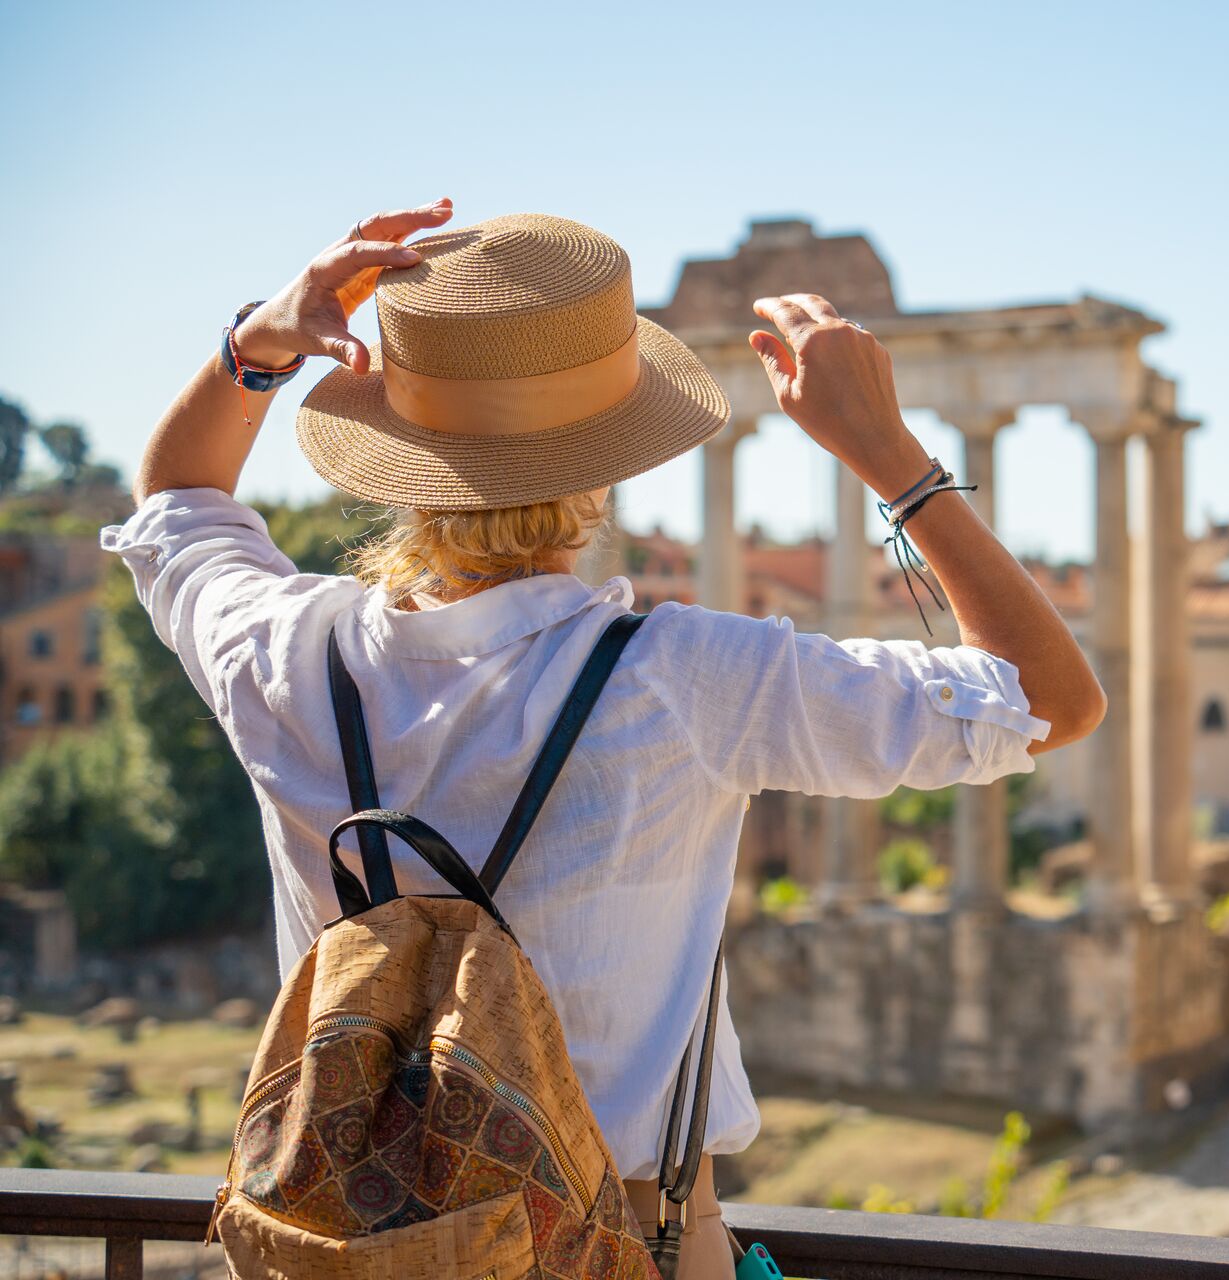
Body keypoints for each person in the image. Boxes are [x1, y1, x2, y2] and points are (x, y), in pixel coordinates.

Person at [104, 200, 1106, 1279]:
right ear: (605, 462)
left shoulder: (281, 651)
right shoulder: (691, 680)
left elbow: (177, 501)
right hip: (622, 1244)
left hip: (346, 1249)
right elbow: (1047, 697)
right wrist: (890, 455)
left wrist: (253, 347)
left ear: (394, 451)